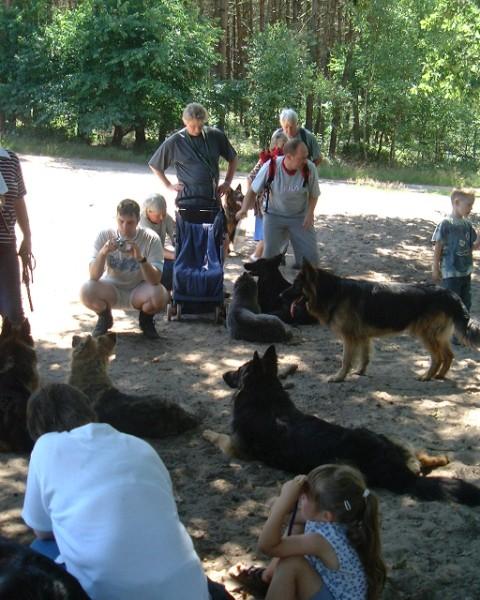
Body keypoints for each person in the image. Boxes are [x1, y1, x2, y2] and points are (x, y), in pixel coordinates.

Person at [22, 383, 232, 600]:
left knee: (38, 549)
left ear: (37, 427)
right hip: (191, 590)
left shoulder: (46, 446)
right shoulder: (139, 445)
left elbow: (42, 530)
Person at [257, 465, 386, 600]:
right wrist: (280, 504)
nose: (300, 497)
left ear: (326, 515)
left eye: (305, 497)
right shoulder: (342, 517)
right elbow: (289, 517)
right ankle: (268, 576)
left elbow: (267, 546)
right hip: (331, 590)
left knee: (291, 564)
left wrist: (284, 500)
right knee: (296, 527)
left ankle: (272, 581)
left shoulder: (321, 540)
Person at [80, 199, 169, 339]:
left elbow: (155, 279)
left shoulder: (151, 238)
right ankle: (104, 317)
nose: (125, 227)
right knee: (86, 290)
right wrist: (103, 252)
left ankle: (146, 320)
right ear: (116, 218)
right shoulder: (105, 235)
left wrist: (140, 258)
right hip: (111, 288)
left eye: (130, 223)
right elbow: (93, 276)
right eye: (121, 221)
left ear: (138, 221)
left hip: (139, 289)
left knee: (160, 294)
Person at [236, 139, 320, 266]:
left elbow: (314, 194)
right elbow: (252, 190)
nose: (306, 161)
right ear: (289, 157)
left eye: (306, 157)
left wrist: (310, 213)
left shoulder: (309, 168)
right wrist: (243, 209)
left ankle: (302, 269)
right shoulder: (271, 166)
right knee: (269, 260)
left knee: (312, 262)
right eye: (302, 158)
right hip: (274, 216)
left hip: (300, 217)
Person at [149, 102, 238, 205]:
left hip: (212, 199)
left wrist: (227, 182)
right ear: (185, 122)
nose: (197, 130)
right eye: (192, 126)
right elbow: (154, 165)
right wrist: (168, 185)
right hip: (187, 201)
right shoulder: (176, 141)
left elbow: (233, 158)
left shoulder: (215, 135)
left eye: (200, 126)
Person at [432, 188, 480, 313]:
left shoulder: (467, 225)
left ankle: (462, 325)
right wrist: (435, 268)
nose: (471, 208)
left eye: (472, 205)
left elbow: (471, 248)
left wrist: (479, 237)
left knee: (465, 304)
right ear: (457, 202)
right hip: (451, 273)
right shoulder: (446, 224)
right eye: (469, 205)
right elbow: (438, 247)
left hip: (466, 272)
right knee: (451, 304)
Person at [0, 146, 31, 325]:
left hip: (6, 247)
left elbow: (18, 201)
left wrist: (27, 235)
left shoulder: (10, 159)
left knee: (14, 316)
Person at [247, 131, 288, 261]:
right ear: (275, 144)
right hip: (267, 204)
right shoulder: (267, 159)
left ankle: (269, 259)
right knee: (268, 236)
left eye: (286, 144)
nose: (284, 147)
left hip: (282, 205)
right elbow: (250, 178)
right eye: (282, 144)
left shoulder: (289, 160)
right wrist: (251, 199)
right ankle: (257, 258)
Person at [140, 193, 175, 291]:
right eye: (158, 215)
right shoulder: (142, 225)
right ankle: (163, 291)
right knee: (169, 268)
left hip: (158, 256)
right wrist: (176, 255)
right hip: (145, 261)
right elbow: (155, 250)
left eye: (163, 214)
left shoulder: (164, 216)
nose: (161, 218)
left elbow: (176, 233)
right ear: (148, 211)